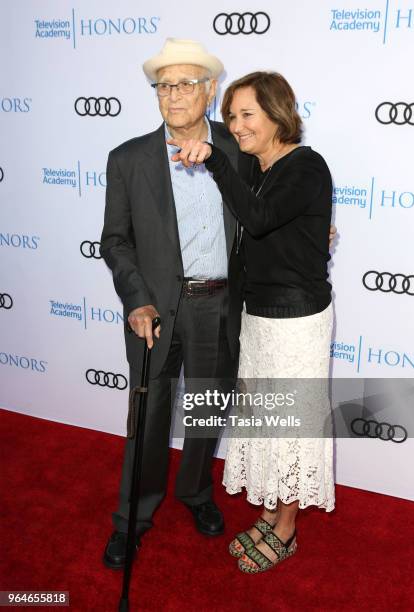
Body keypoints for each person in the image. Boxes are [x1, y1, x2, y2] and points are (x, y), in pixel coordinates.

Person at [169, 71, 335, 574]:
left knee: (290, 425)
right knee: (266, 423)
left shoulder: (305, 166)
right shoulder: (260, 168)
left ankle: (285, 529)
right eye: (232, 116)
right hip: (258, 317)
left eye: (247, 115)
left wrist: (218, 162)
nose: (236, 126)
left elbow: (260, 220)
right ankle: (270, 508)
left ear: (277, 114)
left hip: (296, 321)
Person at [100, 38, 246, 569]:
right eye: (164, 85)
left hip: (219, 306)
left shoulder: (238, 149)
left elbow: (264, 215)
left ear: (210, 91)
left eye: (187, 84)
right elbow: (114, 240)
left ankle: (196, 494)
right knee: (149, 414)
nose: (174, 95)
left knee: (206, 410)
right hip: (154, 312)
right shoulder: (129, 158)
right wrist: (137, 300)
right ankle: (132, 519)